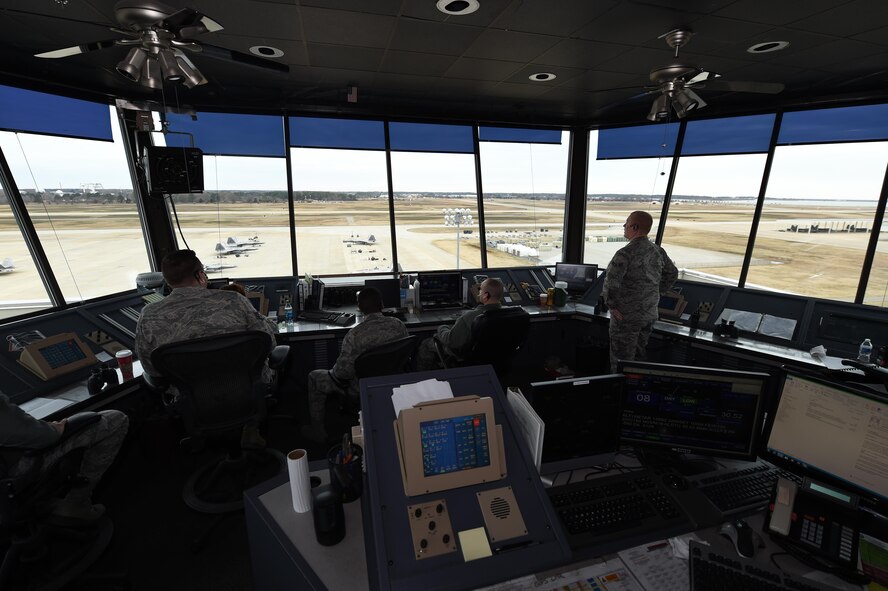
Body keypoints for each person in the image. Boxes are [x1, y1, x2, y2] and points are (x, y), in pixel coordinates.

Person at [135, 249, 278, 447]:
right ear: (200, 275)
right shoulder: (234, 300)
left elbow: (151, 369)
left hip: (193, 403)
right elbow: (268, 343)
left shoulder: (149, 315)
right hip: (246, 393)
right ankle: (250, 429)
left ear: (167, 281)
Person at [0, 393, 128, 524]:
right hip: (14, 476)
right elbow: (44, 436)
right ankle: (75, 503)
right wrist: (53, 429)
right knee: (115, 419)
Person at [302, 287, 408, 442]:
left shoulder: (355, 335)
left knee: (314, 377)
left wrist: (334, 370)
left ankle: (318, 432)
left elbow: (342, 374)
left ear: (359, 308)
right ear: (382, 304)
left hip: (360, 388)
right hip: (392, 382)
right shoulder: (398, 325)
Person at [602, 210, 678, 371]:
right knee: (638, 359)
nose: (624, 226)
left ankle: (619, 387)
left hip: (626, 317)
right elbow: (672, 273)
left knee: (620, 362)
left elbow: (611, 283)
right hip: (648, 315)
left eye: (627, 223)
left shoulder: (625, 253)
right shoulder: (658, 251)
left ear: (634, 227)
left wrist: (611, 306)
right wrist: (656, 293)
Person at [415, 277, 504, 370]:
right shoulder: (508, 314)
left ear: (486, 296)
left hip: (466, 355)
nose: (479, 292)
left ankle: (422, 376)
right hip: (494, 360)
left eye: (480, 289)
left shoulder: (471, 317)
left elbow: (451, 340)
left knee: (425, 344)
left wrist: (442, 327)